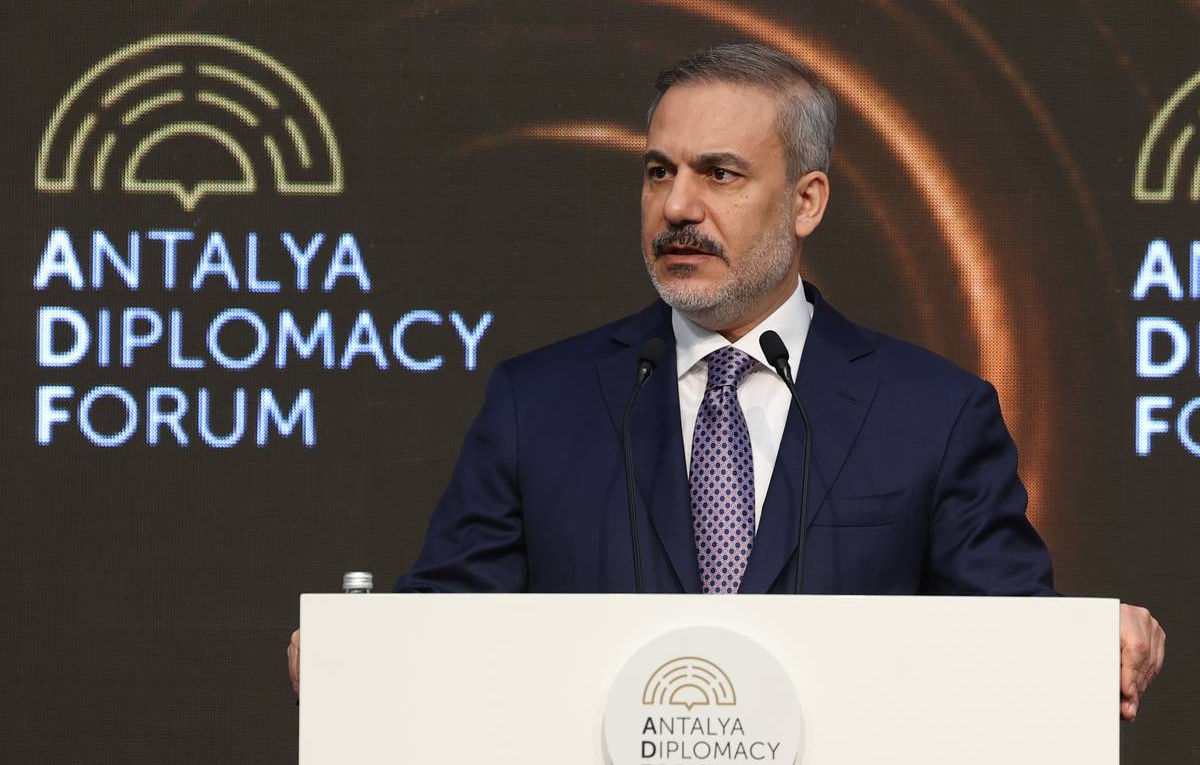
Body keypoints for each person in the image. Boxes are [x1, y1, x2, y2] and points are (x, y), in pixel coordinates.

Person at [289, 43, 1163, 718]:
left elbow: (1014, 641)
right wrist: (355, 660)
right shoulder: (538, 404)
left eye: (720, 174)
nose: (676, 206)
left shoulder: (932, 413)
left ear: (807, 202)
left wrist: (1093, 646)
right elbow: (440, 634)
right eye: (658, 171)